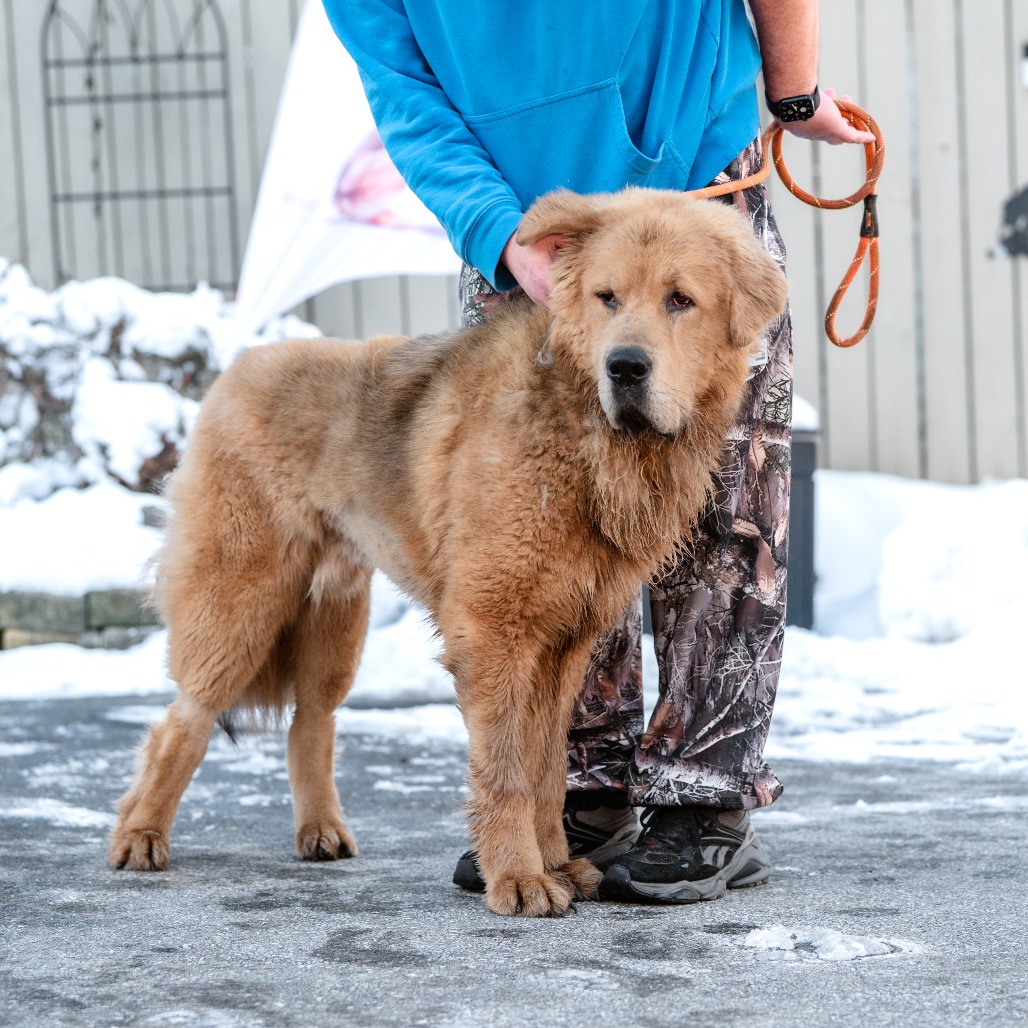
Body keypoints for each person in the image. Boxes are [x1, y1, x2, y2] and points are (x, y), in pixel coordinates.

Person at [323, 0, 874, 904]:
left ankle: (702, 795)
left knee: (721, 511)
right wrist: (499, 231)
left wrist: (792, 89)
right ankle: (576, 792)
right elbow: (407, 93)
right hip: (530, 231)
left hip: (692, 193)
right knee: (538, 539)